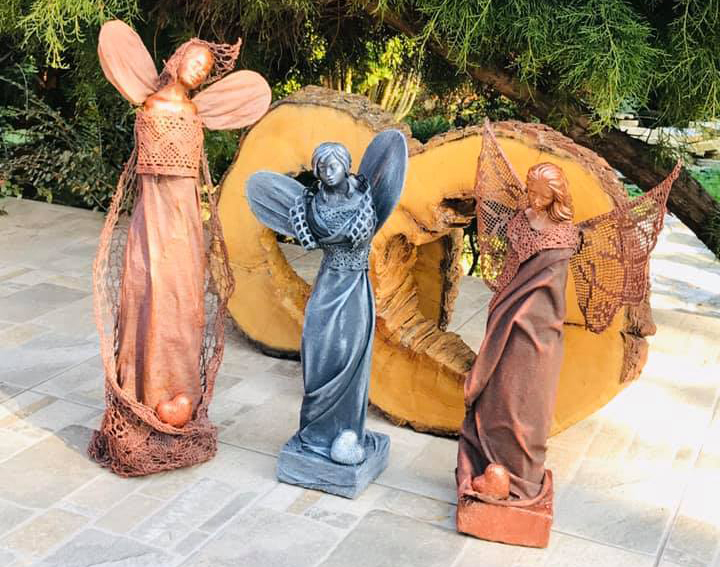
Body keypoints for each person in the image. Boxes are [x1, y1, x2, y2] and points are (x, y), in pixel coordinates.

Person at [89, 20, 271, 476]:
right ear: (176, 59)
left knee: (183, 304)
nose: (197, 71)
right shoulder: (149, 103)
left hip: (185, 223)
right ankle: (142, 397)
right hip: (151, 220)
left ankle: (179, 393)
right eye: (194, 60)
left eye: (205, 69)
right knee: (145, 296)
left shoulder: (197, 113)